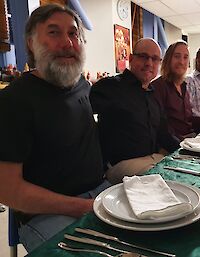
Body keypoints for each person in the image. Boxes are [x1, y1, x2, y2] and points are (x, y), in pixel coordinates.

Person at [0, 5, 110, 253]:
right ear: (30, 43)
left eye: (73, 34)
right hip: (47, 215)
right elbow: (7, 190)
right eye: (53, 33)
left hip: (100, 193)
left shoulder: (82, 85)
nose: (67, 43)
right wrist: (80, 207)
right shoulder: (14, 101)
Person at [90, 38, 179, 184]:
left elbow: (164, 134)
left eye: (155, 59)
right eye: (143, 56)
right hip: (120, 165)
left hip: (152, 159)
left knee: (184, 172)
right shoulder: (110, 87)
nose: (149, 63)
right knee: (167, 180)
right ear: (131, 58)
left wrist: (186, 151)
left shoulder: (153, 95)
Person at [151, 40, 195, 141]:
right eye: (177, 56)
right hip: (173, 145)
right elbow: (161, 128)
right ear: (168, 59)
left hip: (190, 139)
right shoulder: (158, 86)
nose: (181, 62)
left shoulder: (184, 86)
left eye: (185, 57)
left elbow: (188, 121)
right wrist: (182, 143)